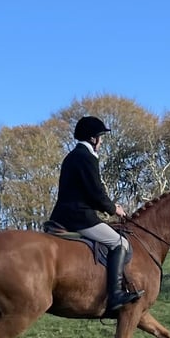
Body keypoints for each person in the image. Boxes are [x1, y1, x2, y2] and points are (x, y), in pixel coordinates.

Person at [48, 116, 144, 314]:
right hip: (78, 217)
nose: (101, 142)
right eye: (100, 137)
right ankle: (115, 295)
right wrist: (114, 209)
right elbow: (95, 193)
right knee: (120, 242)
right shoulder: (86, 157)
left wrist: (109, 205)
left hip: (65, 213)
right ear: (93, 138)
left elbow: (86, 192)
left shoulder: (73, 156)